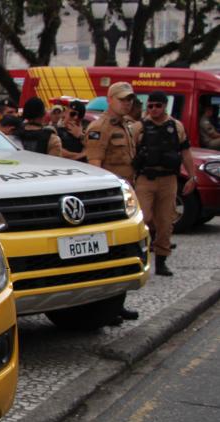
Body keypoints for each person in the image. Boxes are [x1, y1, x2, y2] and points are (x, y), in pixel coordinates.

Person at [84, 81, 140, 322]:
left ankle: (118, 303)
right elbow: (95, 166)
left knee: (123, 252)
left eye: (129, 100)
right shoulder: (100, 127)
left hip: (125, 195)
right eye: (123, 99)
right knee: (106, 255)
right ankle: (104, 307)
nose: (127, 103)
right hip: (109, 201)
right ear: (110, 100)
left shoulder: (127, 125)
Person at [131, 91, 197, 277]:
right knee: (144, 218)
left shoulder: (176, 127)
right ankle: (142, 254)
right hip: (145, 179)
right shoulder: (139, 127)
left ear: (165, 106)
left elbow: (185, 153)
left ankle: (161, 260)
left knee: (166, 221)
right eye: (150, 106)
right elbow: (129, 153)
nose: (153, 109)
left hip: (168, 179)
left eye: (157, 106)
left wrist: (192, 176)